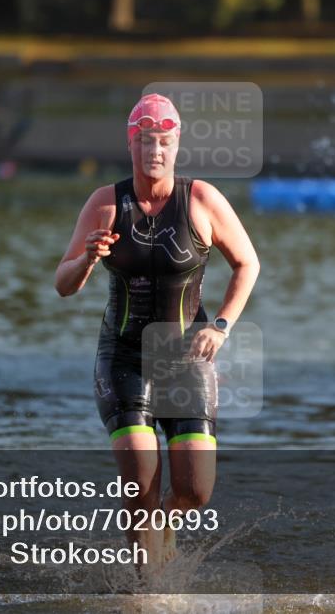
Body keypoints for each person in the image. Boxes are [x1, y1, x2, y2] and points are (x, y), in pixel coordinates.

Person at [54, 93, 259, 573]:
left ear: (177, 144)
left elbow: (247, 264)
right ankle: (147, 592)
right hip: (123, 359)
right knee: (142, 484)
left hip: (185, 360)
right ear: (132, 145)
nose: (157, 151)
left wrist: (223, 327)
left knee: (194, 490)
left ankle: (160, 531)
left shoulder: (202, 200)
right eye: (147, 142)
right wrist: (88, 258)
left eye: (165, 142)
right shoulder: (106, 203)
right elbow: (63, 284)